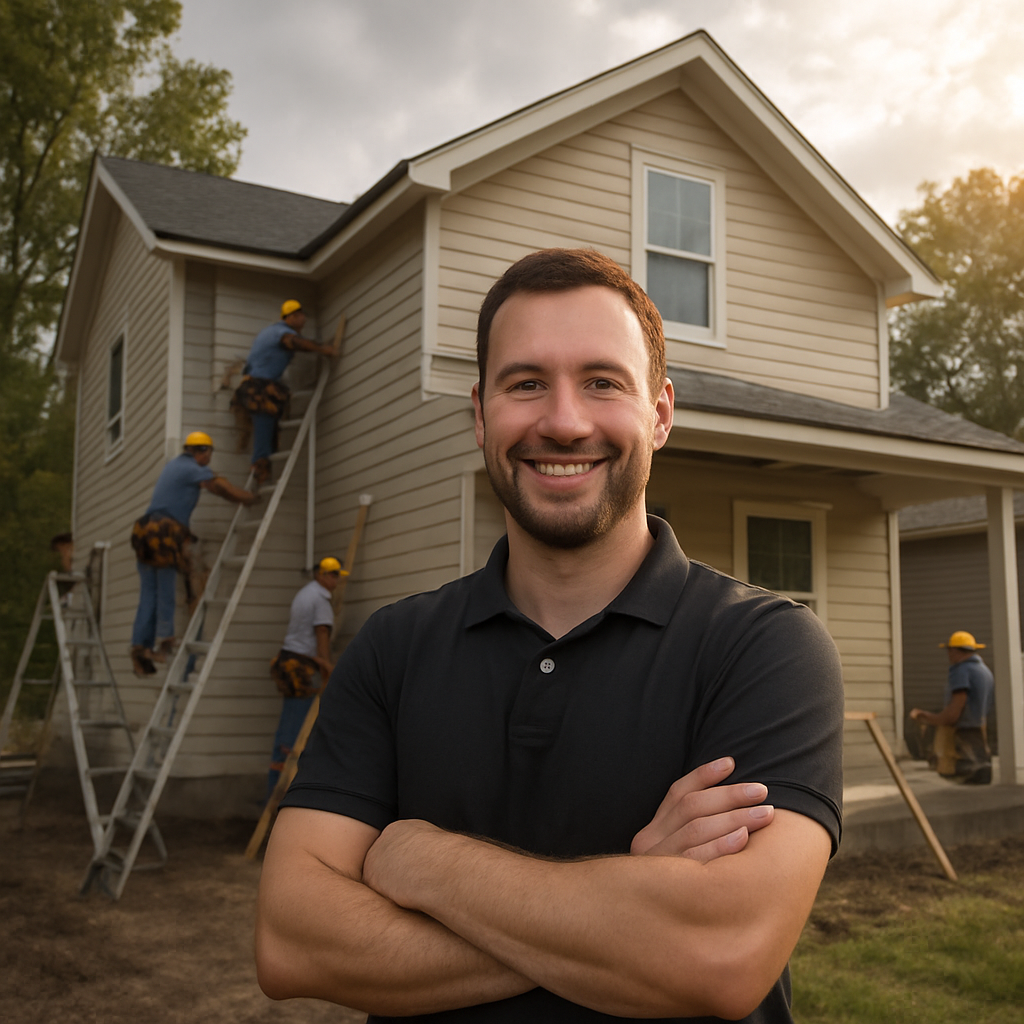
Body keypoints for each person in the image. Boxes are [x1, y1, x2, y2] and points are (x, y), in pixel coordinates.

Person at [255, 249, 845, 1023]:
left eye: (603, 382)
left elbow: (720, 957)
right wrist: (627, 905)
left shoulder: (765, 648)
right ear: (479, 414)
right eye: (526, 383)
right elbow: (294, 942)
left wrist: (421, 862)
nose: (564, 423)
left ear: (660, 413)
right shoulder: (392, 651)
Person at [130, 431, 257, 677]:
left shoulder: (174, 466)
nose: (210, 458)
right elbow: (220, 488)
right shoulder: (191, 468)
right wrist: (249, 498)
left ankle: (140, 646)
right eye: (210, 453)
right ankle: (164, 642)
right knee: (166, 590)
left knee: (149, 594)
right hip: (164, 532)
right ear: (202, 451)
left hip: (143, 532)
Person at [266, 556, 348, 798]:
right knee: (294, 729)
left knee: (286, 727)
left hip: (289, 662)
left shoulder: (305, 593)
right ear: (320, 575)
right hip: (301, 667)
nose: (334, 580)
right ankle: (282, 792)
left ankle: (273, 789)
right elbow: (321, 631)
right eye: (331, 575)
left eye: (336, 576)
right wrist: (326, 664)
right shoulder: (320, 598)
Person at [231, 300, 338, 485]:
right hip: (259, 389)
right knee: (264, 425)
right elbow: (294, 342)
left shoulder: (268, 332)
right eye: (301, 317)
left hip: (252, 387)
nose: (304, 321)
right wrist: (323, 349)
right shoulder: (280, 332)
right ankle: (259, 466)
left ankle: (262, 466)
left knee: (268, 427)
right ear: (291, 317)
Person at [910, 630, 994, 785]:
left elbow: (953, 713)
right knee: (980, 774)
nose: (948, 655)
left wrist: (927, 717)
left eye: (949, 651)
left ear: (954, 651)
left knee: (959, 776)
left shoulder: (961, 671)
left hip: (961, 734)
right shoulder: (984, 671)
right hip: (979, 731)